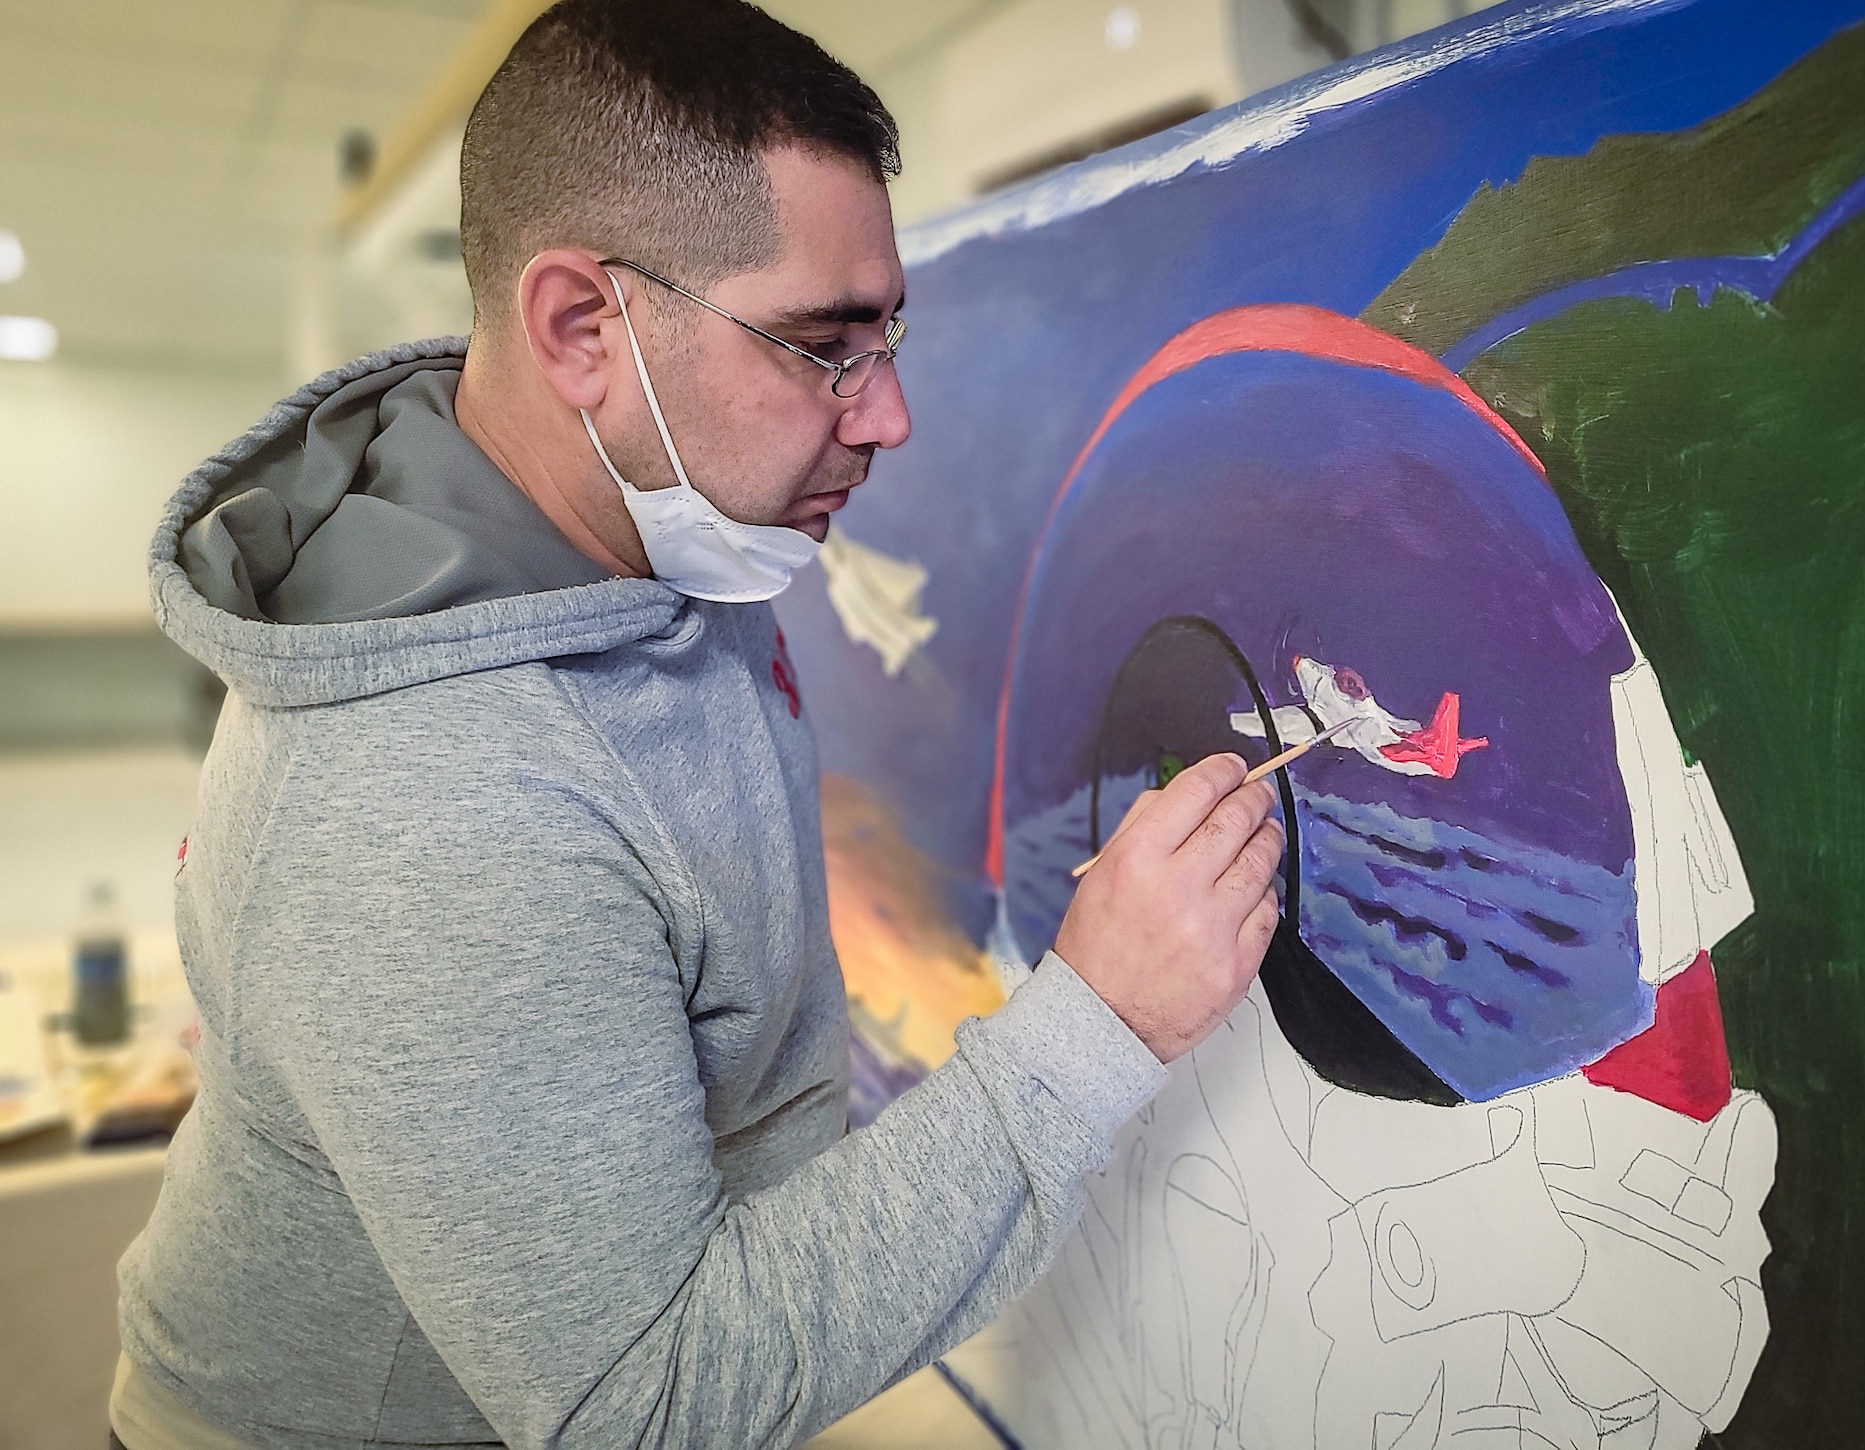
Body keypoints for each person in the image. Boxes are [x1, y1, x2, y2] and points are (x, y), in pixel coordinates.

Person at [110, 2, 1285, 1446]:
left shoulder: (647, 514)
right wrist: (1098, 1023)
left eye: (888, 335)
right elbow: (645, 1399)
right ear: (581, 328)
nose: (890, 417)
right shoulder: (437, 813)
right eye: (823, 346)